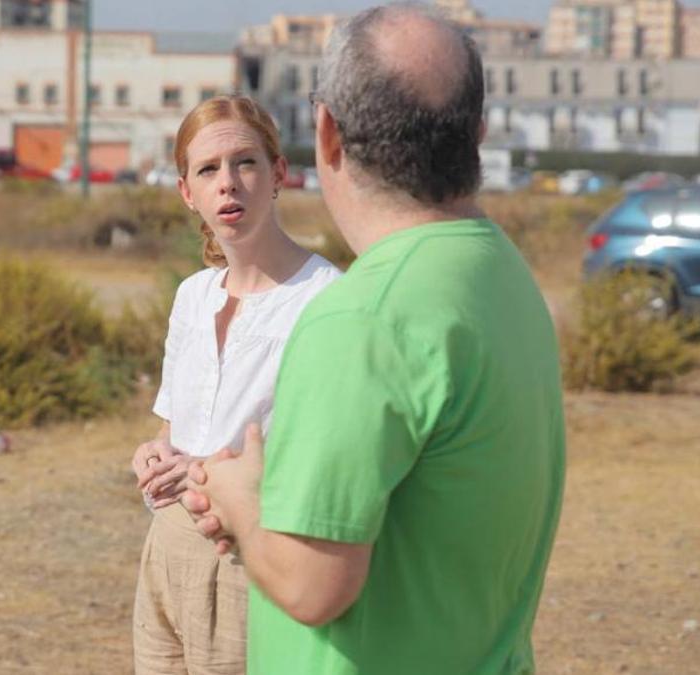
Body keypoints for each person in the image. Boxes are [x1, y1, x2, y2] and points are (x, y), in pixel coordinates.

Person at [183, 7, 566, 675]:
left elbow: (312, 585)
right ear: (477, 133)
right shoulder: (500, 272)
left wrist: (242, 499)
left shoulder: (361, 318)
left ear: (326, 133)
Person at [129, 95, 341, 674]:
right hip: (166, 551)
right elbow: (173, 430)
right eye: (208, 169)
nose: (228, 184)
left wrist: (203, 469)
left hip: (251, 555)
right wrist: (153, 455)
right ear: (185, 192)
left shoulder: (326, 299)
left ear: (278, 174)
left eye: (244, 163)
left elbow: (328, 457)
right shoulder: (192, 297)